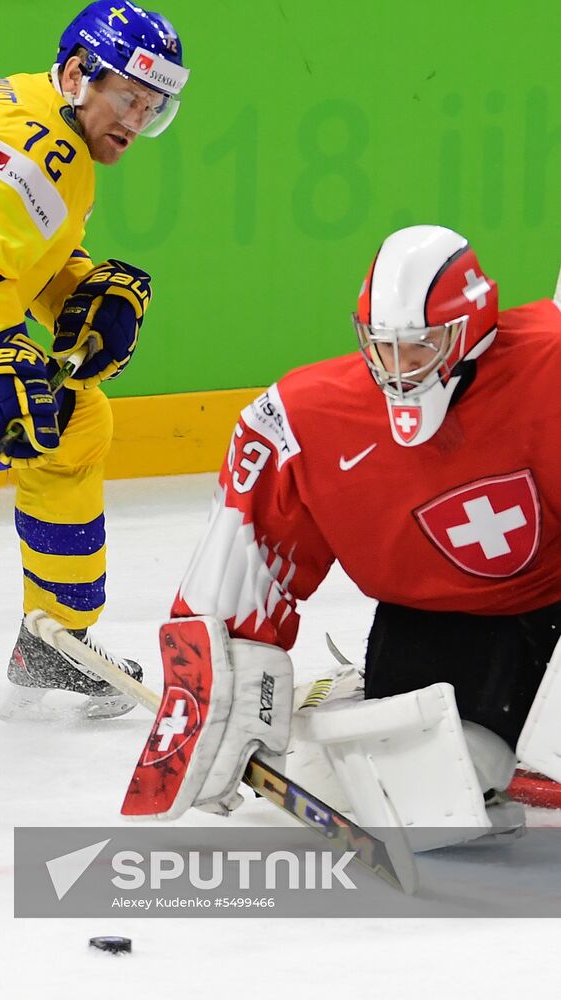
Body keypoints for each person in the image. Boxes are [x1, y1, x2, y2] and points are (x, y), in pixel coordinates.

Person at [124, 225, 561, 846]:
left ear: (471, 330)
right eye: (383, 348)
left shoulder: (549, 366)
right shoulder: (304, 418)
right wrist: (215, 691)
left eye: (421, 348)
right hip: (440, 625)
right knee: (417, 799)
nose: (399, 370)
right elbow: (246, 557)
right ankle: (360, 707)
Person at [0, 2, 189, 718]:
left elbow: (1, 240)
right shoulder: (46, 148)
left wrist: (76, 292)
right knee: (71, 427)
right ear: (79, 74)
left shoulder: (16, 98)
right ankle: (55, 643)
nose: (137, 120)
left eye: (152, 107)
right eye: (129, 98)